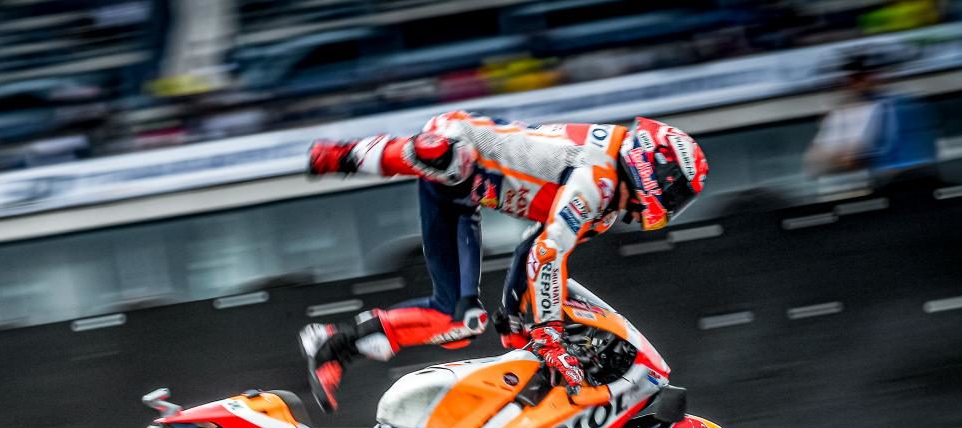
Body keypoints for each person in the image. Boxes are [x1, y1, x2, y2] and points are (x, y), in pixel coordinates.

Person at [300, 111, 708, 412]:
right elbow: (548, 254)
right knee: (445, 154)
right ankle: (342, 155)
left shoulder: (606, 205)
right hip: (457, 150)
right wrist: (547, 334)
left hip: (465, 196)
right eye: (675, 193)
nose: (672, 205)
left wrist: (517, 329)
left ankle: (335, 343)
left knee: (460, 323)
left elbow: (532, 253)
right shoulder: (598, 179)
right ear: (655, 169)